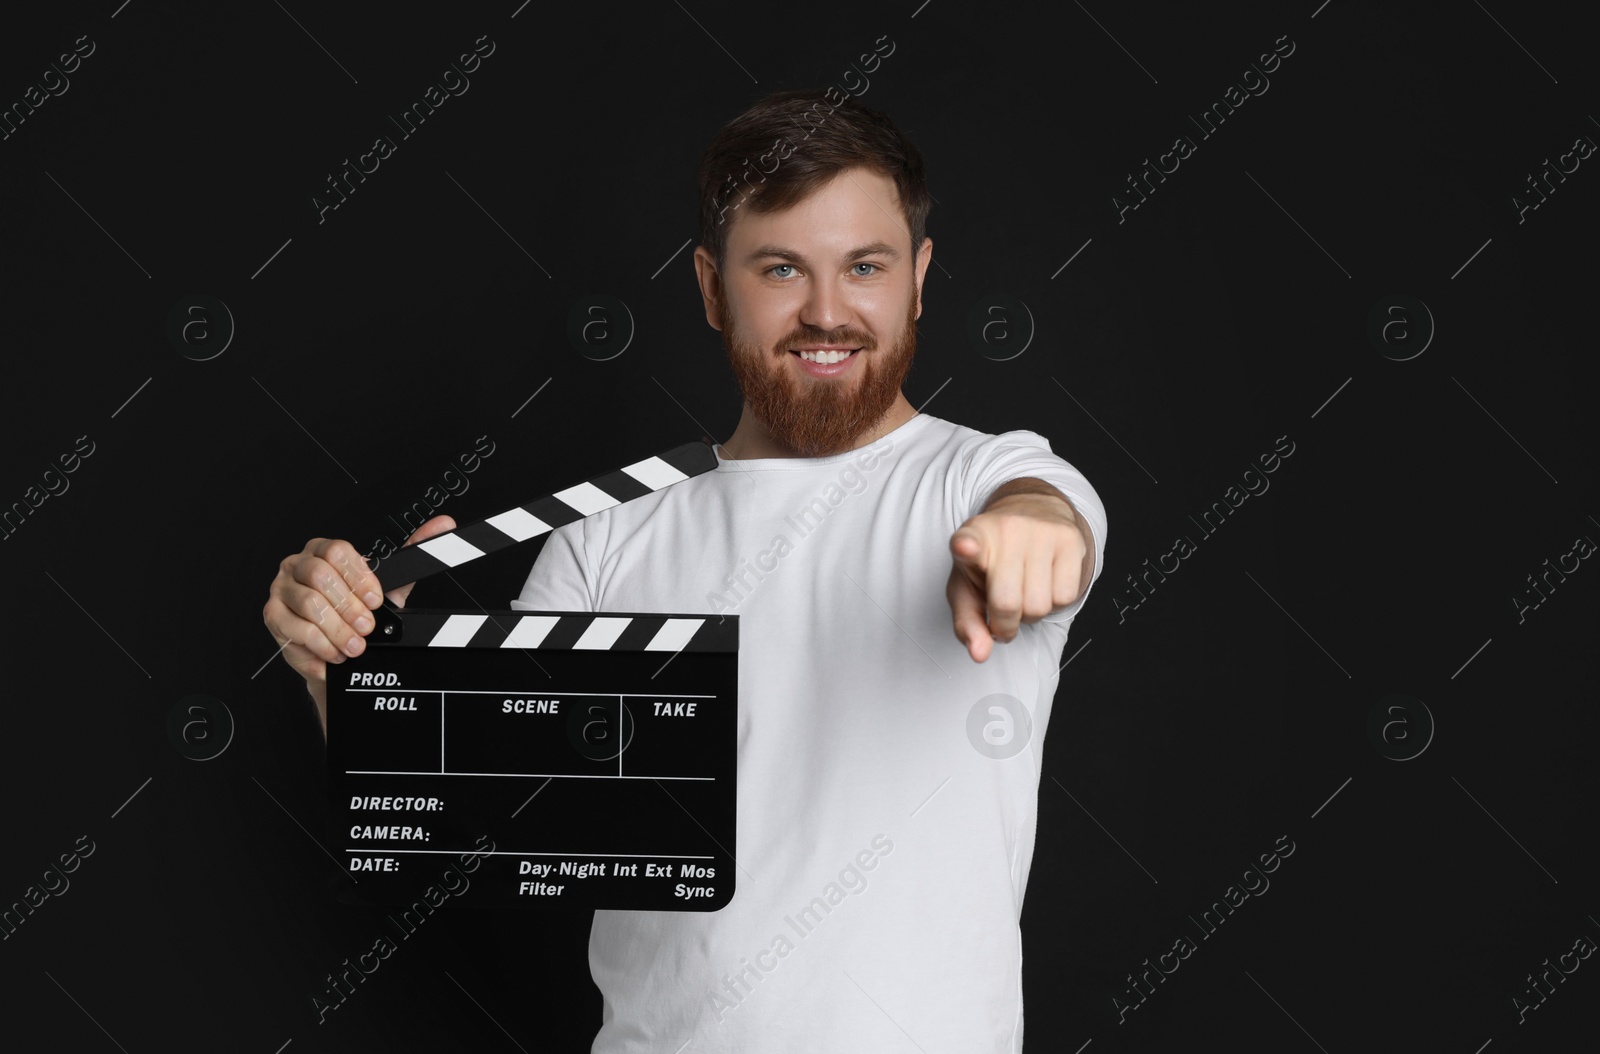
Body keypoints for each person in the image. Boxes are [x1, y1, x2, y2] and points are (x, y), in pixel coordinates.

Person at [262, 87, 1107, 1052]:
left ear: (918, 277)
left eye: (864, 267)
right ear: (711, 286)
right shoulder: (606, 531)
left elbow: (1050, 517)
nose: (826, 312)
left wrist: (1029, 538)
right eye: (781, 268)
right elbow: (498, 817)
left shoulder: (987, 477)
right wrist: (350, 675)